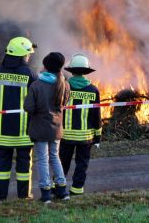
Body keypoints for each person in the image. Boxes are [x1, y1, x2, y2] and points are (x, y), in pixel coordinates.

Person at [0, 36, 37, 201]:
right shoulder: (29, 73)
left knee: (2, 164)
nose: (29, 57)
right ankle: (24, 196)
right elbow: (35, 100)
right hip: (24, 132)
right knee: (24, 164)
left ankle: (0, 196)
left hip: (3, 130)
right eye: (28, 54)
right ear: (22, 55)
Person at [24, 52, 70, 203]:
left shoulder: (36, 85)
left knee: (42, 160)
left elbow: (28, 107)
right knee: (55, 157)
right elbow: (65, 103)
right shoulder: (65, 84)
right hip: (56, 129)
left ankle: (45, 194)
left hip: (40, 129)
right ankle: (62, 191)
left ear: (45, 66)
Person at [60, 53, 102, 196]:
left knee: (62, 161)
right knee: (82, 163)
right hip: (85, 137)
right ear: (86, 71)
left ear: (71, 70)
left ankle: (58, 186)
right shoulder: (93, 90)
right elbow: (96, 115)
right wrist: (97, 137)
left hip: (65, 135)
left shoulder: (64, 87)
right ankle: (77, 188)